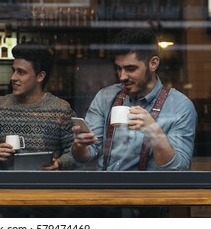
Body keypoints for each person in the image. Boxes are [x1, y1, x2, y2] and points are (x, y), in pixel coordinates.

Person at [72, 28, 197, 171]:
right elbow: (86, 155)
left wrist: (154, 132)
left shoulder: (180, 106)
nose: (122, 77)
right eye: (118, 68)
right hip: (105, 188)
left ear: (153, 64)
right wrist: (79, 146)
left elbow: (178, 170)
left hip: (151, 190)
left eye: (130, 68)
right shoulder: (105, 97)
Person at [0, 43, 77, 171]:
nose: (13, 78)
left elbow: (77, 154)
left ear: (40, 76)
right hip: (3, 186)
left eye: (21, 72)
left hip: (44, 187)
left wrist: (59, 163)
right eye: (13, 71)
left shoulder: (60, 109)